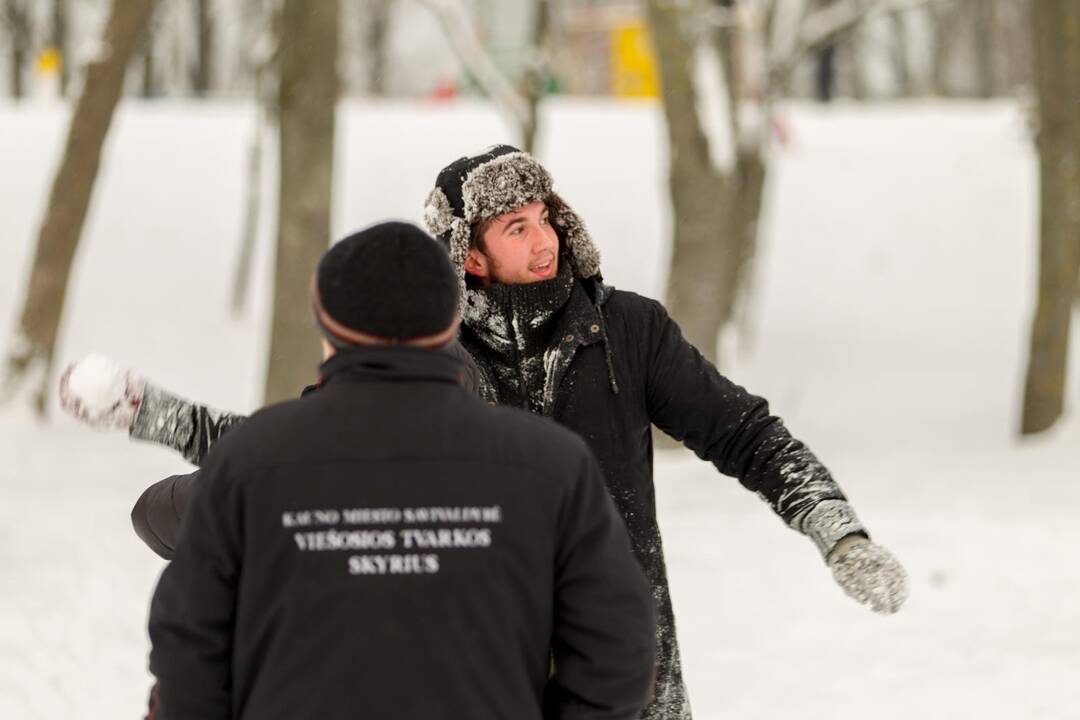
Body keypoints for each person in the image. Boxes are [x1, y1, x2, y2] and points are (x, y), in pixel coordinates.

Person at [61, 146, 908, 720]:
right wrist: (160, 416)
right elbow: (307, 457)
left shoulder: (628, 332)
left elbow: (748, 435)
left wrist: (837, 531)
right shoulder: (428, 351)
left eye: (546, 217)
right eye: (517, 227)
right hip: (478, 671)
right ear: (467, 253)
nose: (544, 240)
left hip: (622, 681)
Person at [145, 221, 656, 720]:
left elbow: (188, 650)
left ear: (327, 328)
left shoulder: (251, 462)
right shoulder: (550, 466)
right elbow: (617, 653)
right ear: (449, 324)